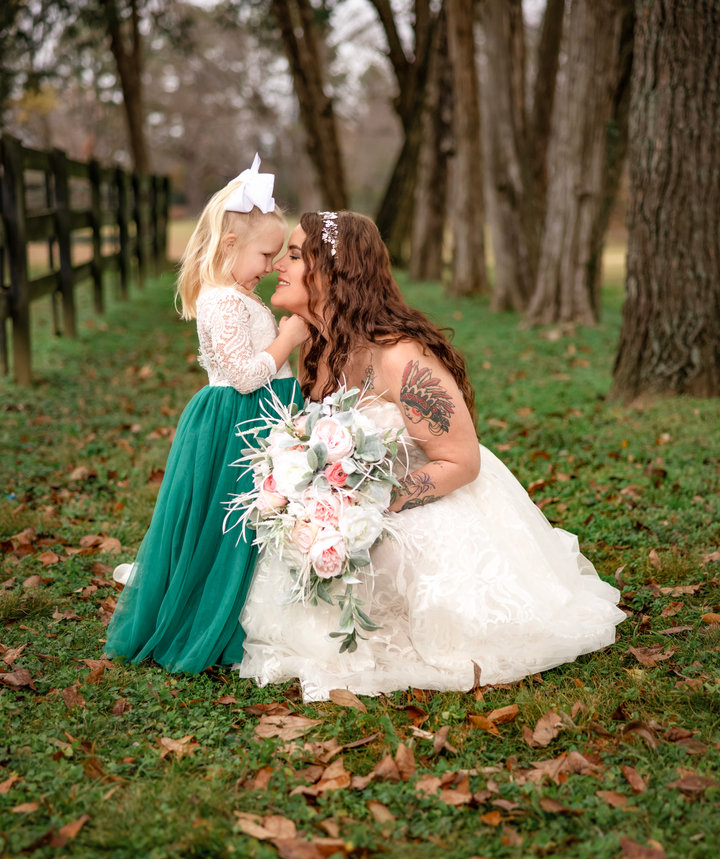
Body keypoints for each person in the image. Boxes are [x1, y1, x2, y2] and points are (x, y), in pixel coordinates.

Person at [234, 210, 626, 700]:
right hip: (361, 499)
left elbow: (460, 461)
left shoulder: (401, 357)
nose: (277, 267)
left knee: (387, 552)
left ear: (334, 270)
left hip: (432, 495)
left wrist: (368, 507)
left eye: (293, 255)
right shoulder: (315, 345)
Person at [105, 156, 307, 674]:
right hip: (236, 420)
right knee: (231, 516)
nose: (270, 266)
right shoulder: (222, 302)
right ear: (230, 245)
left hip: (260, 414)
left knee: (259, 515)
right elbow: (242, 375)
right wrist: (287, 338)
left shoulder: (239, 294)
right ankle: (208, 606)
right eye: (265, 254)